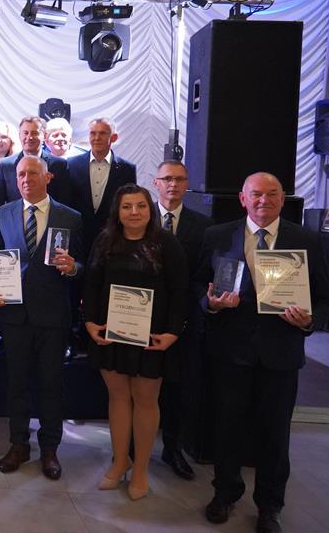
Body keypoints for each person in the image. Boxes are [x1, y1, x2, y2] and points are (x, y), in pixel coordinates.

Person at [198, 173, 329, 532]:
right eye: (256, 194)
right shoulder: (217, 235)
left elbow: (324, 299)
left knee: (275, 435)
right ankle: (225, 493)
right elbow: (198, 286)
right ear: (243, 199)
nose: (263, 201)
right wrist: (210, 304)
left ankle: (270, 506)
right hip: (230, 352)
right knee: (227, 428)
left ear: (283, 199)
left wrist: (309, 320)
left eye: (272, 194)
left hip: (281, 353)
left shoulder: (306, 240)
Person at [0, 155, 83, 479]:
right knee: (17, 384)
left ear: (47, 177)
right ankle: (19, 444)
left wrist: (74, 268)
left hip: (53, 317)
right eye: (21, 174)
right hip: (14, 315)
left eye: (33, 173)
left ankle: (50, 448)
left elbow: (84, 265)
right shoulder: (4, 213)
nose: (26, 179)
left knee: (51, 385)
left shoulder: (71, 217)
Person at [83, 184, 187, 501]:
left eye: (140, 206)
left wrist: (173, 332)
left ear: (149, 209)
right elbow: (91, 284)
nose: (134, 212)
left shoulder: (166, 243)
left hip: (151, 339)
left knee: (145, 400)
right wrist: (89, 322)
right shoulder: (104, 241)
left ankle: (140, 469)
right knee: (117, 398)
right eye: (127, 206)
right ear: (118, 211)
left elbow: (180, 291)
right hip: (111, 334)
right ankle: (120, 462)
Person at [151, 160, 213, 479]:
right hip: (140, 316)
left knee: (176, 388)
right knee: (139, 386)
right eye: (167, 179)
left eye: (179, 179)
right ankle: (131, 449)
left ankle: (172, 448)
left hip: (182, 320)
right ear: (155, 182)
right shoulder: (137, 216)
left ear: (187, 184)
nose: (173, 184)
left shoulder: (203, 226)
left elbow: (203, 274)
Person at [66, 117, 137, 252]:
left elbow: (128, 204)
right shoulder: (71, 164)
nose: (97, 138)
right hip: (77, 237)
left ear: (114, 137)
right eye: (93, 133)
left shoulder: (127, 169)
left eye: (103, 133)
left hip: (112, 239)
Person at [0, 116, 70, 210]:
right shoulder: (5, 165)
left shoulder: (59, 165)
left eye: (34, 133)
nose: (29, 137)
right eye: (25, 133)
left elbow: (65, 202)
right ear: (19, 135)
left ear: (44, 136)